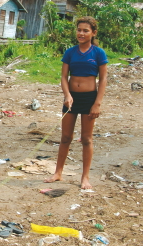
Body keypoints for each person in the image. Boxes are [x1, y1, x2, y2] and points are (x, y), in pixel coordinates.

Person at [44, 16, 108, 189]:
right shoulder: (70, 52)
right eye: (79, 30)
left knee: (86, 139)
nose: (81, 33)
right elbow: (64, 77)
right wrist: (67, 95)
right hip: (71, 98)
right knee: (65, 137)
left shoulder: (98, 53)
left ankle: (85, 177)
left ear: (93, 33)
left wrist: (97, 103)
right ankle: (58, 173)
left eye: (85, 30)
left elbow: (102, 80)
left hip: (89, 99)